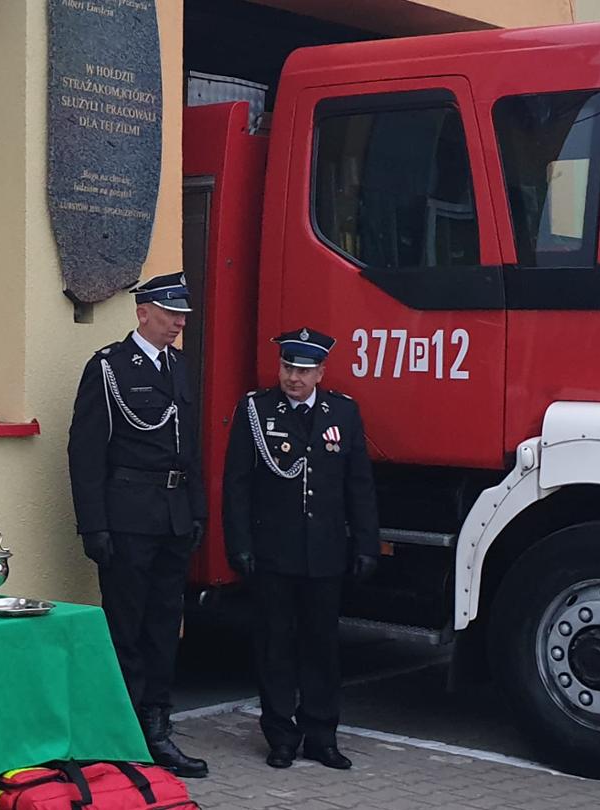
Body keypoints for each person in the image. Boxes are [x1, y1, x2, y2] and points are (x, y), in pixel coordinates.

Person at [66, 271, 210, 778]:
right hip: (127, 518)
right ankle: (121, 732)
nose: (178, 323)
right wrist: (93, 525)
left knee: (164, 628)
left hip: (172, 518)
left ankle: (157, 728)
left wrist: (196, 510)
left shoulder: (179, 367)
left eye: (182, 316)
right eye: (170, 314)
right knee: (125, 629)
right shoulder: (109, 367)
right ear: (142, 312)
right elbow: (86, 452)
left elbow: (189, 449)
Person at [221, 327, 379, 771]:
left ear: (321, 372)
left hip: (325, 553)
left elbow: (359, 485)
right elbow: (237, 484)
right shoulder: (256, 410)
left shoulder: (342, 412)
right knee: (275, 646)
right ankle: (280, 736)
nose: (294, 377)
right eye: (288, 367)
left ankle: (322, 736)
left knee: (322, 647)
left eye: (304, 370)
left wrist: (366, 542)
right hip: (273, 551)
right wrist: (239, 544)